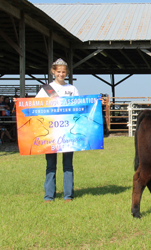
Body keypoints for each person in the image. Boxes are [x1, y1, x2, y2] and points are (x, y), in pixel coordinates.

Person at [35, 58, 79, 203]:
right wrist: (19, 102)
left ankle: (68, 195)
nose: (61, 74)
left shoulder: (72, 89)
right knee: (50, 165)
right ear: (53, 72)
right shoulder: (46, 89)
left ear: (67, 73)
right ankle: (49, 196)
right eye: (58, 72)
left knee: (68, 165)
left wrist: (96, 102)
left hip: (67, 133)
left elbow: (80, 106)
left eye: (63, 72)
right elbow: (35, 105)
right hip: (51, 133)